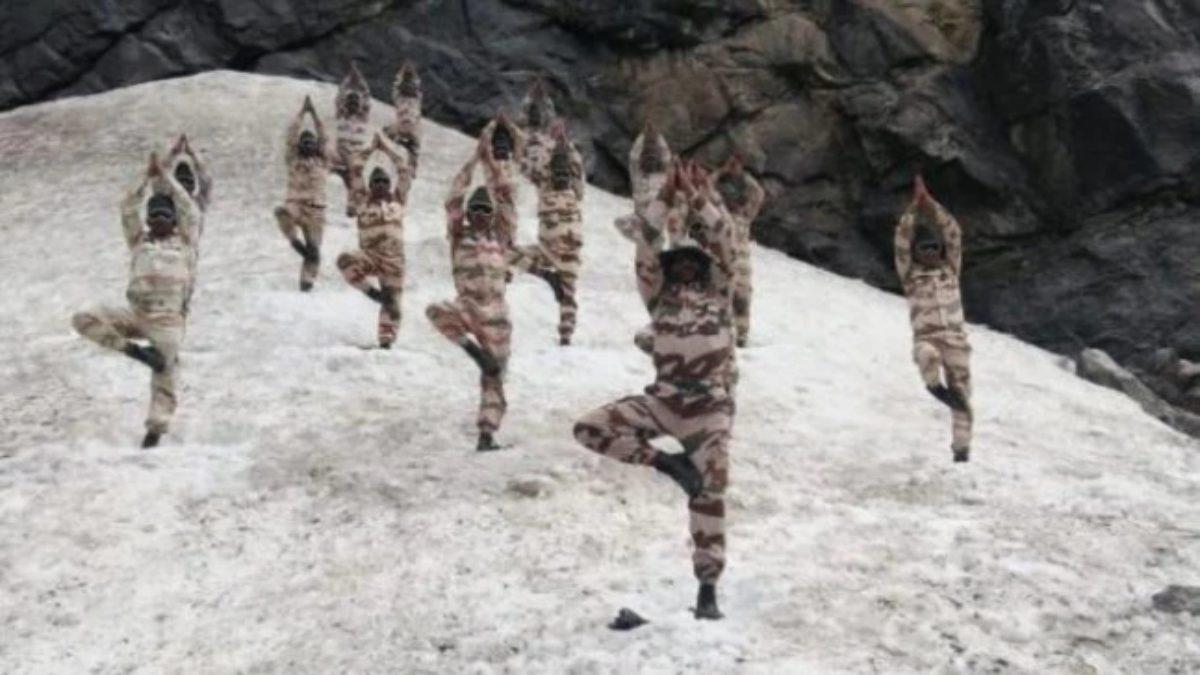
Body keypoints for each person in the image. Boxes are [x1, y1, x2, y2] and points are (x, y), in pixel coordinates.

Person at [575, 161, 737, 620]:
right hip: (663, 402)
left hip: (709, 410)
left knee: (711, 490)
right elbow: (647, 241)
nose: (684, 267)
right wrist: (665, 193)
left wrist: (699, 199)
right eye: (677, 263)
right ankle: (668, 463)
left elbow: (725, 240)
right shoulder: (658, 297)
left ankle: (707, 587)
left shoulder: (719, 294)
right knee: (591, 428)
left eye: (692, 262)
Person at [72, 154, 199, 449]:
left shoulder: (186, 241)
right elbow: (127, 207)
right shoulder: (140, 240)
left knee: (165, 369)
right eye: (153, 216)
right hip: (135, 313)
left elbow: (189, 209)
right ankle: (136, 353)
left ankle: (155, 431)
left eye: (164, 216)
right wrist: (147, 177)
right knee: (83, 318)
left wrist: (164, 179)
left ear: (173, 219)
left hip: (167, 320)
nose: (157, 221)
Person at [427, 151, 515, 452]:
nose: (478, 214)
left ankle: (487, 433)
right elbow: (453, 200)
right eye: (474, 210)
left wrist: (492, 165)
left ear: (490, 215)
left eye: (483, 210)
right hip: (468, 305)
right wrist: (473, 164)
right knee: (435, 311)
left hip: (497, 314)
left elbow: (506, 198)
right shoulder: (458, 236)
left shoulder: (500, 239)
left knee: (496, 375)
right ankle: (472, 350)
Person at [895, 175, 973, 463]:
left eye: (934, 248)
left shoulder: (951, 270)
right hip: (927, 339)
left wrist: (932, 205)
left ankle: (961, 451)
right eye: (924, 249)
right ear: (916, 253)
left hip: (956, 341)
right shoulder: (910, 275)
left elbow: (953, 232)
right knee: (927, 356)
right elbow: (901, 240)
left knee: (963, 398)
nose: (930, 253)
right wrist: (914, 209)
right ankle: (933, 386)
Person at [509, 122, 584, 345]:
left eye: (565, 173)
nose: (562, 176)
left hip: (569, 251)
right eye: (557, 172)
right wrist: (550, 145)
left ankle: (566, 336)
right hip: (546, 248)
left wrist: (566, 145)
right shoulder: (545, 186)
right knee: (505, 253)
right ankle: (546, 276)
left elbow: (578, 169)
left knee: (568, 296)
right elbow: (526, 165)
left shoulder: (575, 190)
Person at [337, 134, 412, 349]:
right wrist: (371, 149)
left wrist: (387, 149)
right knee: (345, 259)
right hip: (370, 255)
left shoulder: (397, 198)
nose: (380, 185)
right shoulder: (362, 201)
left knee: (393, 303)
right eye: (376, 182)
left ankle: (385, 343)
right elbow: (356, 167)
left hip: (394, 260)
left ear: (389, 185)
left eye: (384, 182)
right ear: (370, 185)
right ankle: (371, 293)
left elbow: (404, 169)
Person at [275, 95, 336, 292]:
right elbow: (291, 136)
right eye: (305, 142)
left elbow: (325, 137)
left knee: (314, 251)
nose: (308, 144)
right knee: (282, 213)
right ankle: (294, 240)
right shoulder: (293, 160)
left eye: (311, 142)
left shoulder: (323, 161)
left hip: (316, 210)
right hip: (296, 205)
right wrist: (302, 113)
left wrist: (316, 116)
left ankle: (306, 283)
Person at [614, 122, 674, 318]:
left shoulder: (664, 177)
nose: (649, 158)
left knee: (655, 267)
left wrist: (656, 136)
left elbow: (665, 157)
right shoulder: (638, 177)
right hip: (642, 229)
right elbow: (633, 158)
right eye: (646, 156)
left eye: (652, 156)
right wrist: (645, 135)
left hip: (657, 230)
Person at [711, 156, 765, 347]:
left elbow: (758, 194)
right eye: (729, 196)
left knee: (742, 296)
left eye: (736, 197)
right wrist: (722, 172)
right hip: (720, 259)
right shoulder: (716, 214)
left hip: (741, 264)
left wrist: (742, 174)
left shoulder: (744, 216)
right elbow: (706, 190)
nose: (733, 200)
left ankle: (741, 335)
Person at [164, 133, 212, 315]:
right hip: (168, 253)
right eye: (180, 183)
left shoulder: (198, 202)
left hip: (189, 255)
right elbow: (159, 174)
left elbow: (206, 178)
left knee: (183, 301)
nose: (184, 187)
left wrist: (192, 155)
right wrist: (174, 153)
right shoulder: (167, 200)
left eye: (188, 183)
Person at [335, 62, 373, 217]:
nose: (353, 104)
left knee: (355, 177)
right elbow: (339, 96)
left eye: (355, 102)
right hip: (342, 150)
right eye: (350, 101)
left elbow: (367, 96)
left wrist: (360, 79)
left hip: (356, 151)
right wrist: (348, 80)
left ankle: (354, 205)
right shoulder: (341, 114)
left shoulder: (362, 116)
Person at [519, 78, 558, 185]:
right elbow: (524, 108)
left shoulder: (543, 135)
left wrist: (545, 97)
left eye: (537, 114)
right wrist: (531, 94)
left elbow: (551, 115)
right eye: (534, 114)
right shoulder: (524, 133)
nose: (536, 116)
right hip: (526, 165)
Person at [385, 62, 422, 173]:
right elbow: (417, 88)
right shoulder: (416, 99)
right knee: (414, 145)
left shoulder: (400, 98)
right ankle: (411, 164)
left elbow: (396, 88)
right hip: (410, 128)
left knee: (386, 133)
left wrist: (401, 76)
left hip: (403, 127)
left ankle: (409, 163)